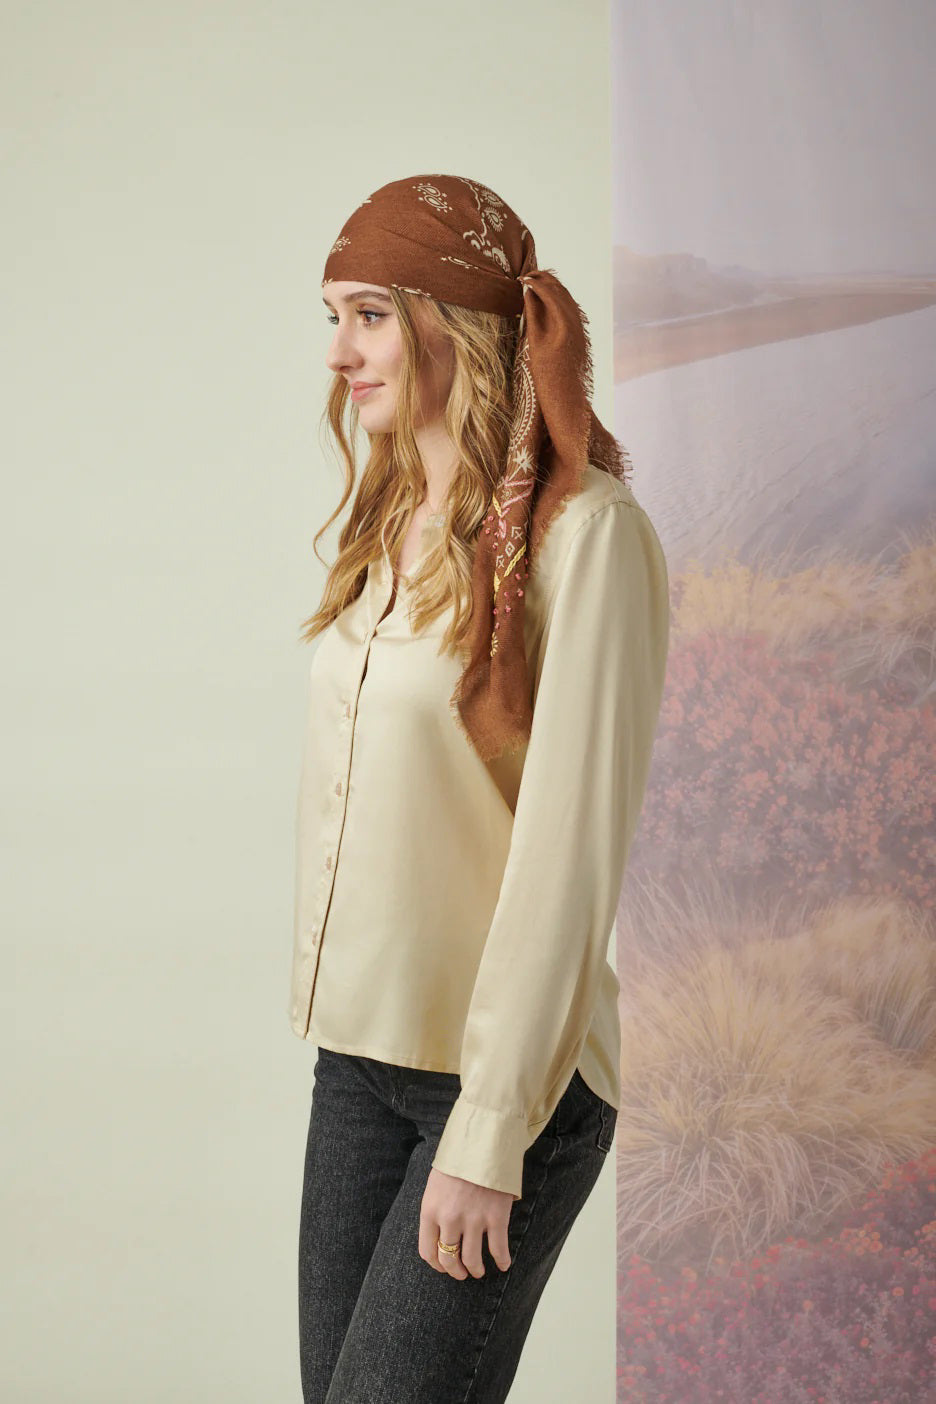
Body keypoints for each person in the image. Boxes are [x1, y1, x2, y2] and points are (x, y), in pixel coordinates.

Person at [289, 173, 670, 1403]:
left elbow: (570, 858)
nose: (340, 352)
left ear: (454, 322)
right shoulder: (388, 516)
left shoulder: (586, 538)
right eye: (332, 317)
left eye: (370, 315)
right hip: (356, 1062)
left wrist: (493, 1131)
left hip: (508, 1080)